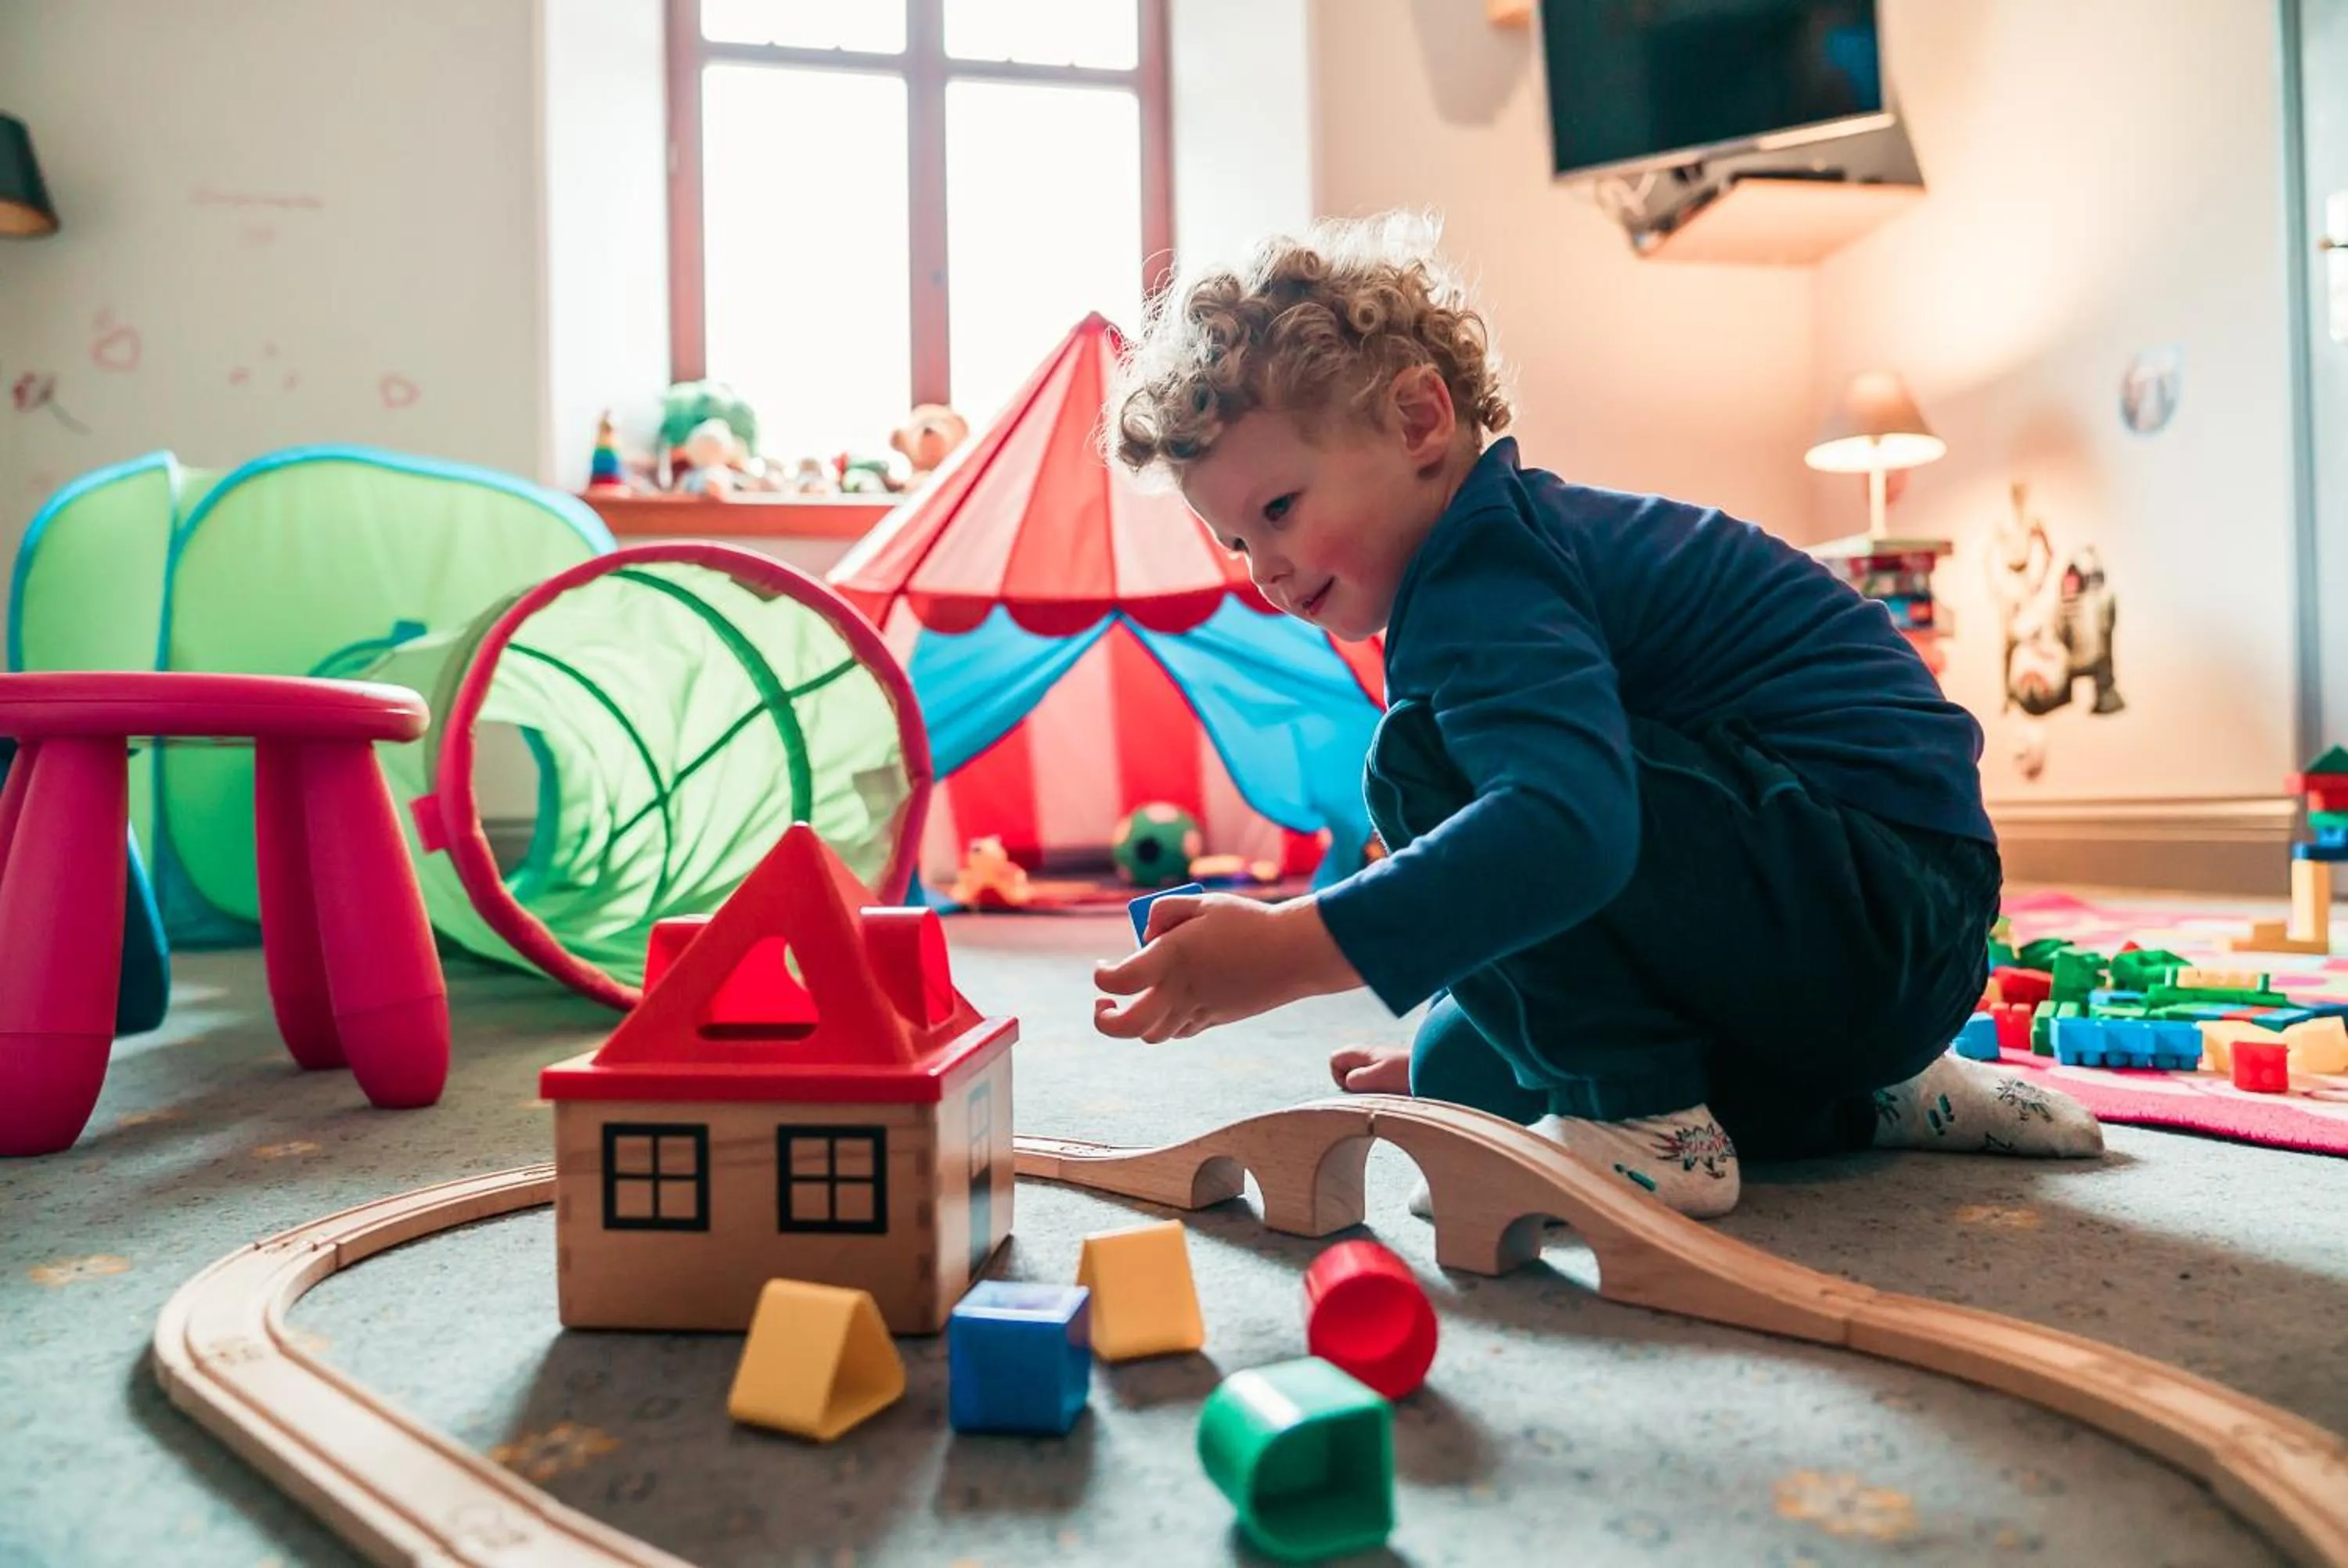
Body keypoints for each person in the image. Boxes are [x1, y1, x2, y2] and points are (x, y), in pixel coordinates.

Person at [1090, 213, 2100, 1218]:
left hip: (1866, 898)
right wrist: (1492, 1032)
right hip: (1902, 931)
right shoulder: (1522, 548)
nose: (1265, 572)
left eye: (1279, 510)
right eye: (1237, 542)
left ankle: (1644, 1127)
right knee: (1460, 1064)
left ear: (1418, 421)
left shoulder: (1482, 574)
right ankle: (1880, 1096)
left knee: (1421, 760)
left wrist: (1288, 950)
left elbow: (1568, 829)